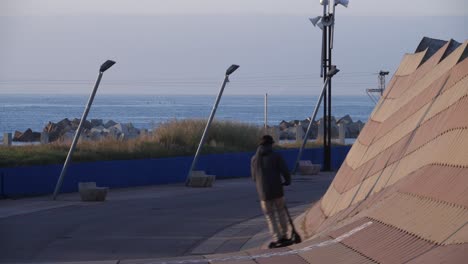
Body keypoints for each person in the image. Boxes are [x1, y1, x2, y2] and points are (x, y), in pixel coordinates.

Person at [251, 135, 292, 248]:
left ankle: (277, 238)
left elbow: (254, 177)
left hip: (264, 194)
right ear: (270, 145)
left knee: (270, 217)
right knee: (281, 212)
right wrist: (287, 181)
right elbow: (285, 171)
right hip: (277, 190)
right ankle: (284, 236)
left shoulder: (254, 159)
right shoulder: (276, 156)